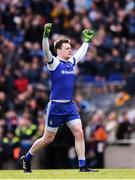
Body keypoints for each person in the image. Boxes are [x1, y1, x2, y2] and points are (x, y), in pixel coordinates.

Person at [20, 23, 97, 172]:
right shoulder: (54, 63)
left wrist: (86, 42)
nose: (70, 50)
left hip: (69, 106)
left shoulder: (70, 63)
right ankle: (27, 158)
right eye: (67, 48)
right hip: (55, 107)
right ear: (59, 51)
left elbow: (80, 54)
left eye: (70, 48)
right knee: (48, 139)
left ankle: (82, 166)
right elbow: (45, 51)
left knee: (79, 133)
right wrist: (45, 36)